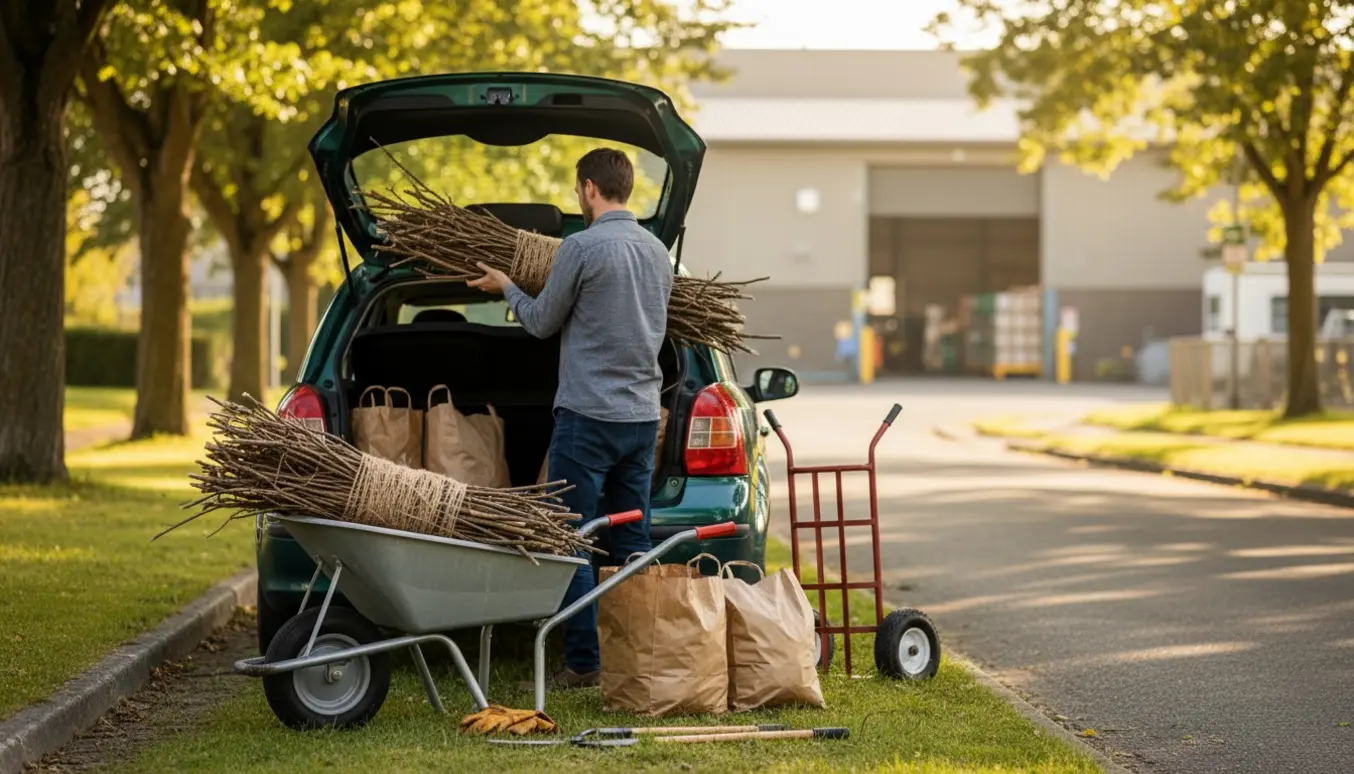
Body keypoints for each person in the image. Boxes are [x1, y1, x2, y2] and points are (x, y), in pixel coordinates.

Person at [469, 148, 673, 688]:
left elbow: (540, 322)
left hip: (589, 418)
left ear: (588, 188)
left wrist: (506, 286)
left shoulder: (581, 248)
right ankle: (640, 656)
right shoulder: (658, 252)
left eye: (578, 189)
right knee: (633, 540)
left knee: (571, 538)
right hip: (641, 418)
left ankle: (584, 662)